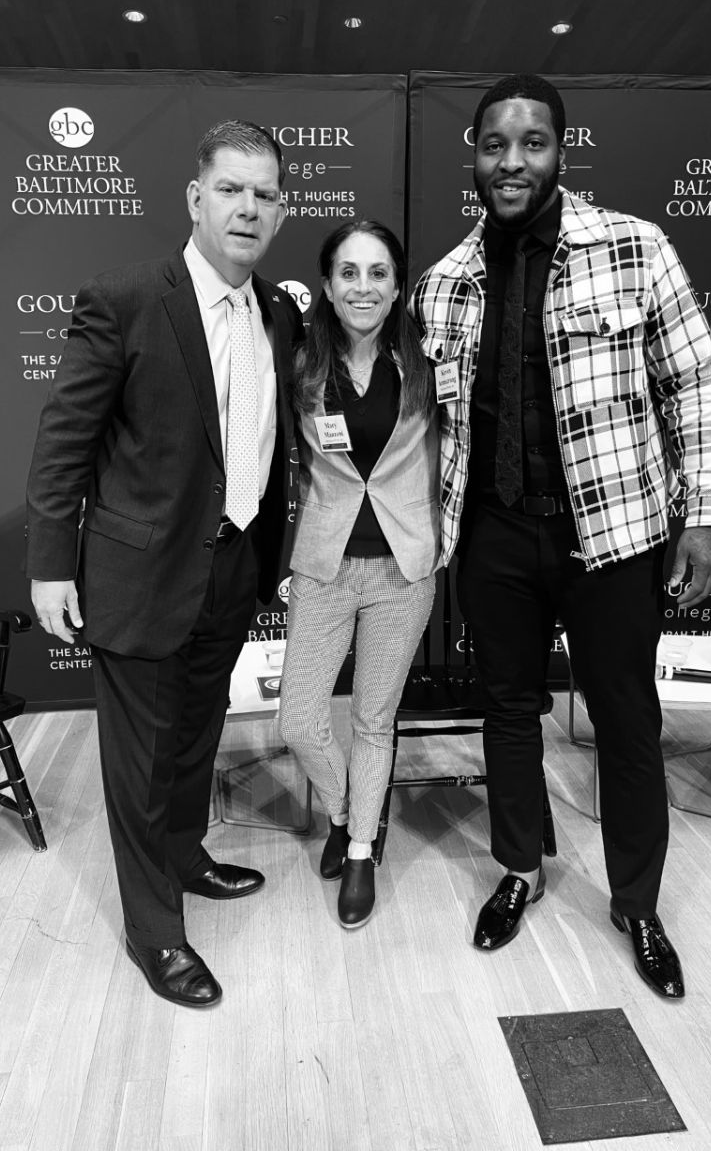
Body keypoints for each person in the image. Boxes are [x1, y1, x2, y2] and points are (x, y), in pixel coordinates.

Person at [411, 74, 711, 998]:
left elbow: (696, 388)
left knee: (626, 720)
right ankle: (521, 867)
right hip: (495, 538)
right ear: (472, 154)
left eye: (533, 143)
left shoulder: (636, 249)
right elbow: (431, 431)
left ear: (561, 149)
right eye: (494, 145)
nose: (512, 162)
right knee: (509, 709)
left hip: (616, 536)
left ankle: (637, 901)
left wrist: (705, 519)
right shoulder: (445, 283)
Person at [25, 120, 303, 1008]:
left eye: (264, 195)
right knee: (138, 766)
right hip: (140, 576)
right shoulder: (126, 298)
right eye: (231, 190)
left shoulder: (281, 313)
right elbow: (64, 441)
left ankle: (187, 859)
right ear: (195, 199)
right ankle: (156, 936)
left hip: (233, 566)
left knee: (195, 738)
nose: (247, 209)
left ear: (282, 210)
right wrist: (50, 564)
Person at [278, 219, 440, 929]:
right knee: (299, 721)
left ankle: (364, 850)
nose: (363, 286)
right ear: (327, 284)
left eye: (377, 273)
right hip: (324, 563)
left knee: (374, 720)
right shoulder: (301, 364)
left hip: (404, 569)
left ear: (398, 285)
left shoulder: (430, 362)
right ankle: (347, 813)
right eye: (349, 272)